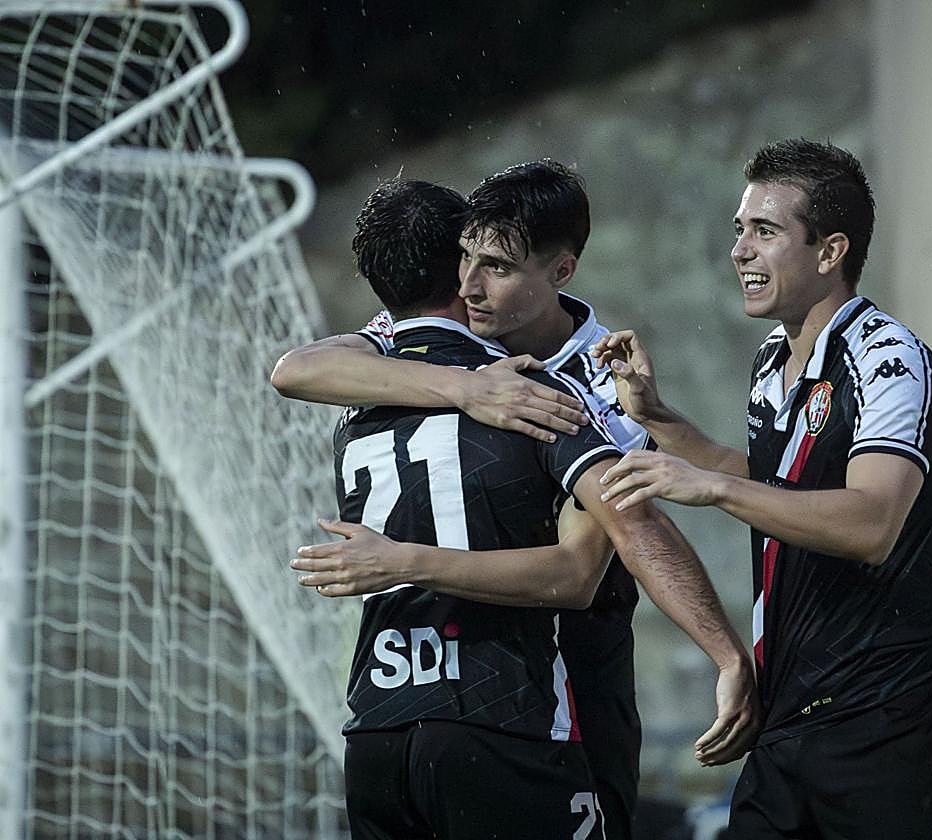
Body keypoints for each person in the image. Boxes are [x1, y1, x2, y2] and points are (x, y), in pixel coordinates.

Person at [275, 165, 757, 839]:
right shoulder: (434, 350)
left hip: (488, 693)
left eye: (496, 267)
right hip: (511, 711)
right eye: (466, 260)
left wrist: (726, 654)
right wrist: (465, 388)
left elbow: (616, 541)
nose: (472, 287)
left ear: (561, 272)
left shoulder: (588, 379)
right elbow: (292, 369)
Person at [592, 138, 932, 839]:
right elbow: (775, 485)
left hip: (892, 725)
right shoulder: (770, 362)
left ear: (829, 251)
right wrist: (658, 420)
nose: (740, 251)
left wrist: (707, 490)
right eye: (738, 231)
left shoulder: (888, 357)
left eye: (765, 231)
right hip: (792, 721)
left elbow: (870, 523)